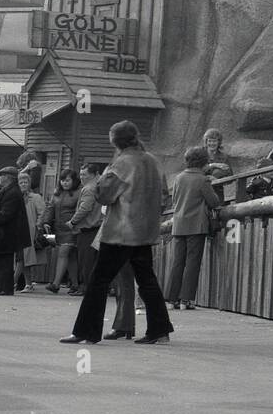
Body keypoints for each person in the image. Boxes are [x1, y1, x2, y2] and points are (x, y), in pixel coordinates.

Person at [60, 121, 175, 346]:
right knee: (147, 280)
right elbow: (163, 196)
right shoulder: (152, 161)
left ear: (114, 141)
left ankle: (86, 331)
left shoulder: (122, 164)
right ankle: (160, 331)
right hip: (145, 231)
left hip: (121, 233)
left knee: (98, 281)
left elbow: (103, 195)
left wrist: (104, 175)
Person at [166, 146, 221, 310]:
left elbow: (174, 200)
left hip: (179, 224)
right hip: (196, 225)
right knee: (192, 263)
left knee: (178, 262)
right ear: (203, 161)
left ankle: (171, 298)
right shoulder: (202, 179)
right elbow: (214, 202)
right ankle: (186, 299)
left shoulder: (179, 178)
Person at [0, 166, 26, 296]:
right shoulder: (5, 190)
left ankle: (5, 287)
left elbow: (6, 215)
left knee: (4, 262)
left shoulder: (13, 192)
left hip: (6, 233)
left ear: (8, 177)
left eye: (1, 175)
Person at [69, 162, 105, 293]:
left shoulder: (89, 188)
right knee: (96, 260)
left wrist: (72, 222)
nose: (81, 177)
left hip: (88, 229)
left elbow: (85, 208)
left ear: (94, 175)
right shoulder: (100, 186)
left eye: (84, 174)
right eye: (80, 174)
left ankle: (87, 288)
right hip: (99, 228)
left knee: (86, 261)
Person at [44, 169, 82, 293]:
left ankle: (56, 284)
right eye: (62, 180)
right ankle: (75, 284)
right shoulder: (57, 193)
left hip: (72, 228)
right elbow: (50, 208)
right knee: (70, 257)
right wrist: (45, 222)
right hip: (59, 229)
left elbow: (80, 210)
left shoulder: (79, 193)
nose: (64, 183)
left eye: (67, 180)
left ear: (73, 181)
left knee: (63, 253)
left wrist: (74, 223)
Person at [15, 170, 46, 291]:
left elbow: (42, 213)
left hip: (30, 231)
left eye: (25, 182)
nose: (23, 184)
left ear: (29, 183)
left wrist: (38, 226)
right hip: (18, 231)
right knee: (23, 258)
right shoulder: (16, 197)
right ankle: (28, 284)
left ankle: (12, 281)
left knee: (22, 258)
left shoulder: (36, 197)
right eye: (21, 182)